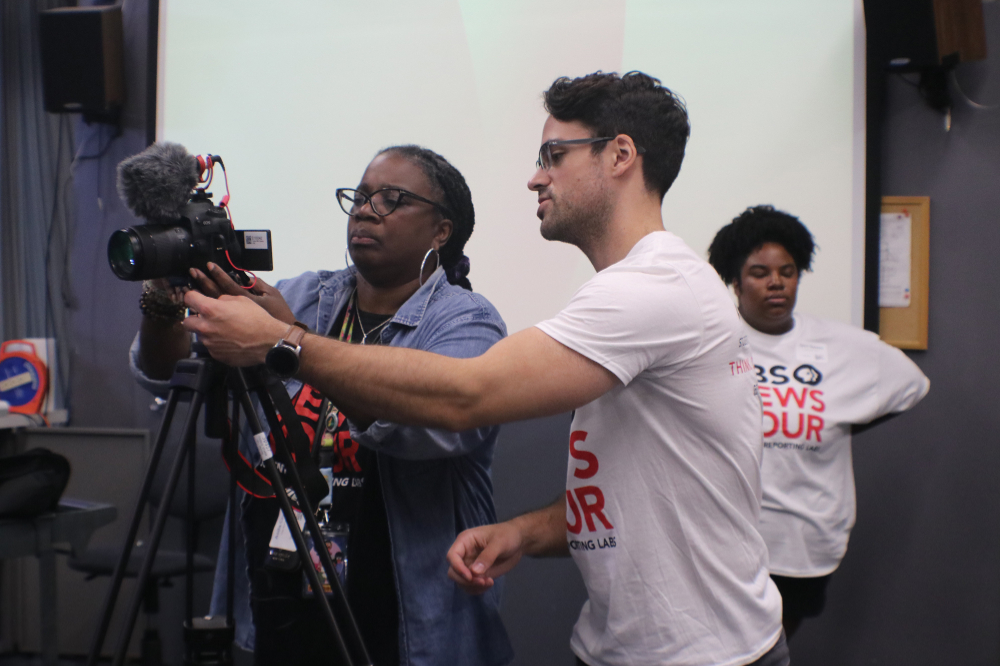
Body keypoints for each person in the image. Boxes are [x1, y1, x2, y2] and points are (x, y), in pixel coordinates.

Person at [183, 71, 788, 666]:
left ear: (620, 155)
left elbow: (467, 396)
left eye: (554, 155)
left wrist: (285, 342)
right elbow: (633, 485)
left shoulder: (653, 288)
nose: (536, 177)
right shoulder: (634, 292)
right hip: (624, 647)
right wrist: (524, 532)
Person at [130, 145, 514, 666]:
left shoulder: (466, 321)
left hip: (406, 619)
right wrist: (164, 290)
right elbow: (164, 367)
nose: (364, 210)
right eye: (359, 197)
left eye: (391, 199)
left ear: (440, 232)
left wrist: (289, 342)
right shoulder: (305, 295)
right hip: (285, 598)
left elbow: (429, 428)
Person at [707, 205, 930, 638]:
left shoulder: (839, 346)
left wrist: (839, 423)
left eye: (787, 271)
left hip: (805, 540)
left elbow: (911, 384)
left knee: (770, 648)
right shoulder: (713, 344)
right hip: (726, 536)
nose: (776, 282)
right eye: (759, 272)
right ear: (735, 281)